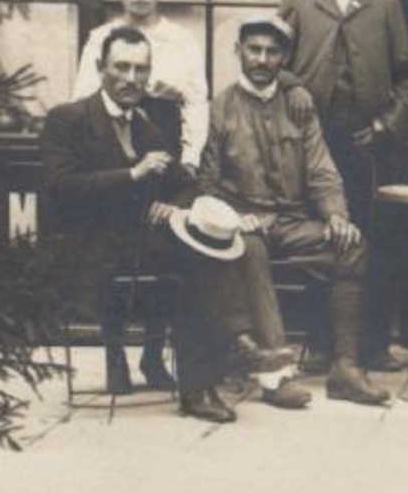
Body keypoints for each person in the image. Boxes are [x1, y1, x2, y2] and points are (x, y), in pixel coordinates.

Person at [41, 26, 297, 423]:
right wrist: (131, 174)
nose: (131, 79)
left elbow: (185, 183)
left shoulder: (149, 121)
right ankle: (229, 350)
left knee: (214, 246)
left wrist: (172, 205)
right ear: (99, 68)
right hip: (90, 250)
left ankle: (217, 366)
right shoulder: (68, 118)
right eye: (121, 67)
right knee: (193, 263)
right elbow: (59, 187)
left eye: (140, 70)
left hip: (144, 246)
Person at [195, 13, 392, 407]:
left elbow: (320, 167)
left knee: (351, 247)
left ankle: (345, 369)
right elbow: (206, 182)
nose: (262, 59)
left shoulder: (300, 107)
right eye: (254, 50)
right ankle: (276, 375)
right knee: (249, 249)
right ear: (238, 52)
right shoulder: (219, 108)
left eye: (272, 52)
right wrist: (232, 216)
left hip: (293, 221)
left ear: (284, 57)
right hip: (244, 223)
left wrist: (336, 214)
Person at [277, 0, 408, 367]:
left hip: (368, 144)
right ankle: (320, 344)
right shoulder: (298, 0)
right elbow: (271, 68)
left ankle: (373, 346)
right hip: (312, 144)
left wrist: (385, 126)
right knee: (322, 240)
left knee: (371, 240)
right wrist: (295, 89)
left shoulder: (385, 2)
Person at [72, 0, 208, 176]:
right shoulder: (100, 38)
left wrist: (191, 159)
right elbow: (83, 99)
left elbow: (196, 104)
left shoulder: (181, 40)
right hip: (109, 148)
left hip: (166, 144)